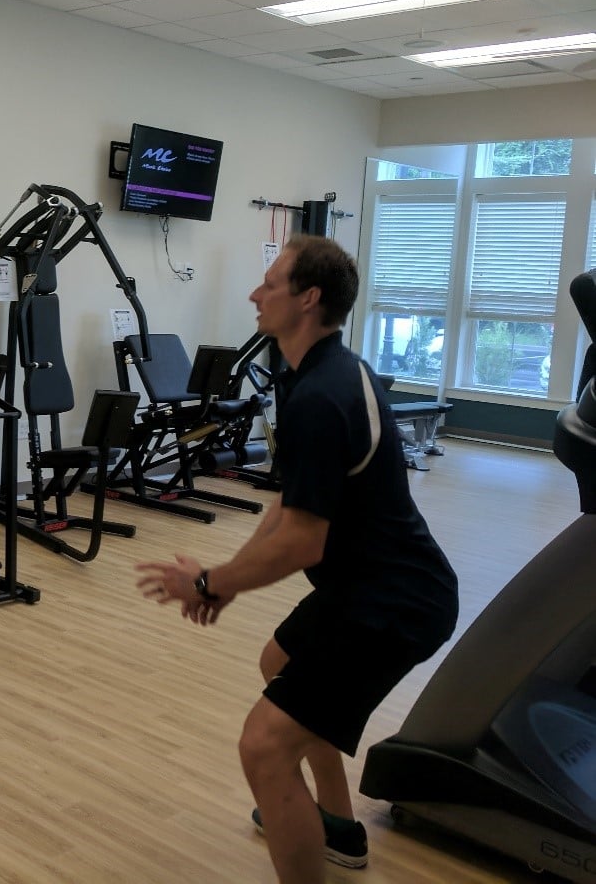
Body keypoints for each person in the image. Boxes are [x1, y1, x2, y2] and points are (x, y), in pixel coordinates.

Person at [135, 236, 459, 884]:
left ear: (307, 299)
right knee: (278, 662)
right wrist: (222, 582)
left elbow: (300, 543)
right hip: (367, 586)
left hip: (392, 604)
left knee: (264, 746)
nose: (255, 295)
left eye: (270, 284)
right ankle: (336, 828)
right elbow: (285, 507)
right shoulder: (321, 372)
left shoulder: (319, 396)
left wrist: (204, 581)